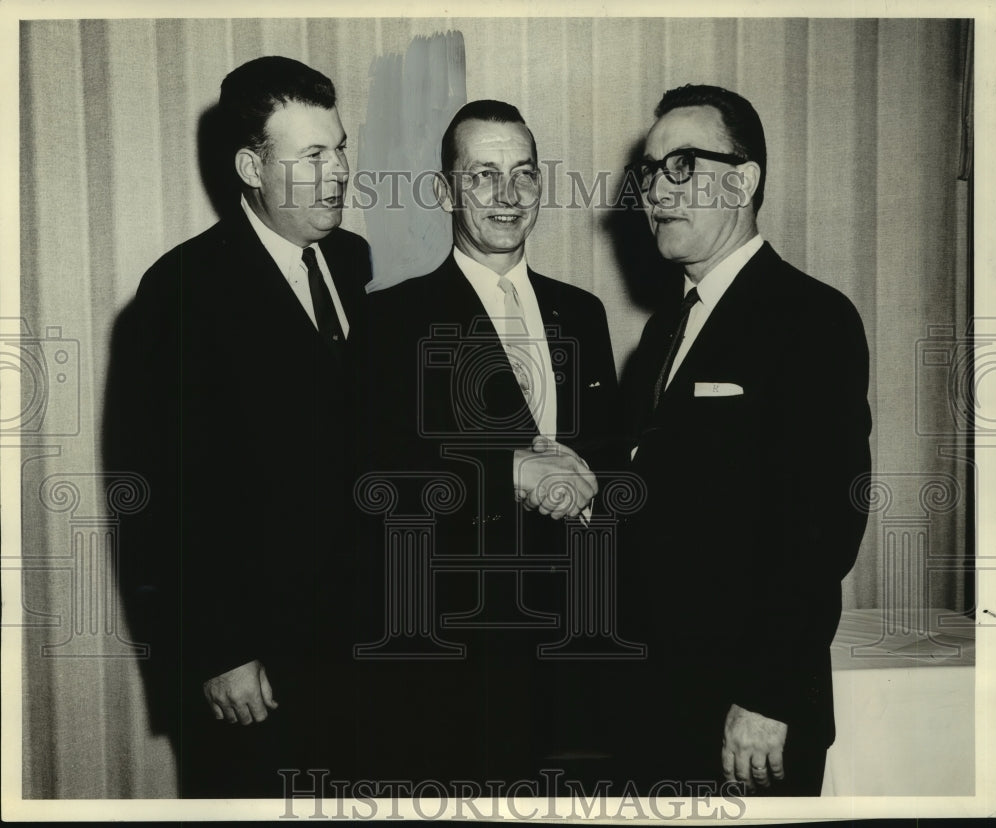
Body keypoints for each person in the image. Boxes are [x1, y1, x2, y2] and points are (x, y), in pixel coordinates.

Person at [104, 56, 371, 797]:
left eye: (341, 148)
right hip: (257, 669)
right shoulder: (183, 292)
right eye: (313, 155)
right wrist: (217, 653)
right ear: (253, 166)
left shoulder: (350, 263)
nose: (339, 171)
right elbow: (160, 493)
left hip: (359, 649)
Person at [355, 100, 620, 786]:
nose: (508, 196)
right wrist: (506, 471)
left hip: (575, 648)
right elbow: (373, 472)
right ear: (445, 190)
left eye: (524, 175)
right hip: (449, 655)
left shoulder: (583, 313)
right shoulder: (392, 320)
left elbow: (610, 459)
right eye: (483, 176)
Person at [617, 84, 871, 796]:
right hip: (658, 696)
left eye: (681, 165)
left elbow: (822, 529)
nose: (655, 191)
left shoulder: (811, 320)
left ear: (744, 179)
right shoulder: (666, 328)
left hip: (748, 715)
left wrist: (767, 696)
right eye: (648, 170)